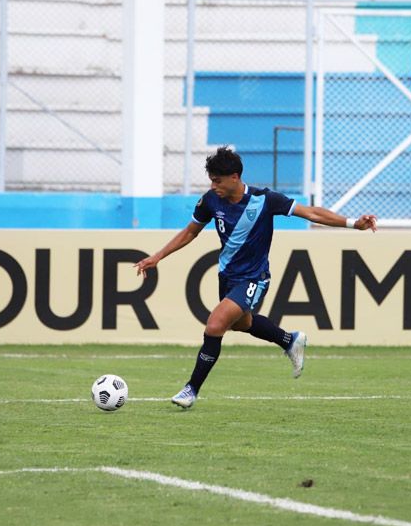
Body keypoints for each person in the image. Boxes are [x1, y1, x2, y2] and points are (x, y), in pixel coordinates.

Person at [134, 146, 378, 409]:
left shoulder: (265, 200)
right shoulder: (210, 201)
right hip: (227, 276)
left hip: (254, 277)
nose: (213, 185)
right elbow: (190, 232)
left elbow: (312, 213)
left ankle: (190, 389)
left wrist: (354, 223)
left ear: (235, 177)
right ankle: (290, 340)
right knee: (241, 324)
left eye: (217, 180)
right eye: (211, 180)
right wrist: (158, 256)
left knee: (215, 325)